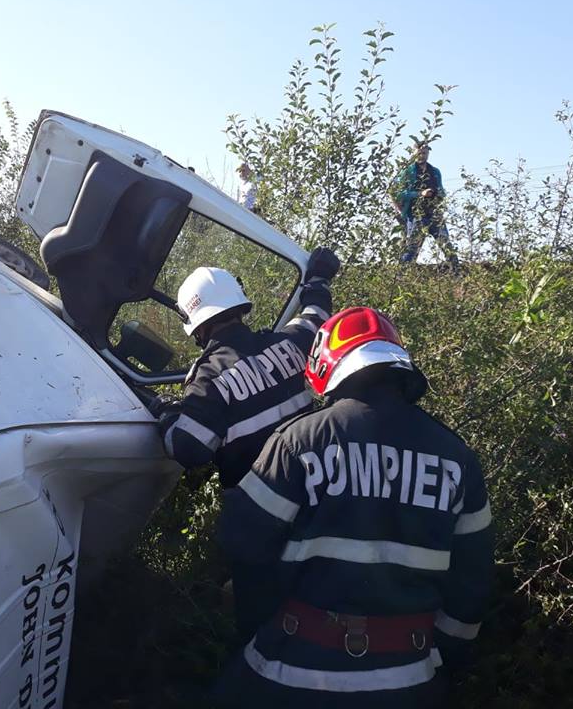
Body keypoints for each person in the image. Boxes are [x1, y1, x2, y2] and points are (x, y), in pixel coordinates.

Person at [215, 306, 494, 708]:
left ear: (327, 367)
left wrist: (257, 628)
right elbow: (474, 579)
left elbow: (243, 547)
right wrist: (443, 659)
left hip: (292, 672)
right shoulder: (458, 458)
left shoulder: (300, 441)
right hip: (413, 678)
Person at [159, 248, 340, 643]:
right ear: (239, 306)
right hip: (320, 501)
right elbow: (316, 317)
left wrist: (166, 411)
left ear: (196, 325)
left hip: (262, 522)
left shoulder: (209, 380)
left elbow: (186, 449)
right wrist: (318, 278)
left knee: (263, 623)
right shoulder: (290, 344)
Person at [391, 142, 460, 271]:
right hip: (416, 214)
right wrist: (419, 194)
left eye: (425, 153)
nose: (422, 155)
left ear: (428, 153)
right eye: (419, 153)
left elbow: (441, 190)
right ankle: (401, 276)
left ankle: (458, 275)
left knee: (446, 245)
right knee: (412, 248)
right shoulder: (407, 172)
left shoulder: (434, 171)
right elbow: (396, 192)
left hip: (433, 213)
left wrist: (438, 195)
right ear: (414, 153)